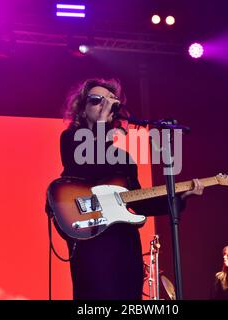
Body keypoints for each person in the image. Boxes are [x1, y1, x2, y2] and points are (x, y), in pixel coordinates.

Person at [46, 78, 204, 300]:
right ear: (82, 109)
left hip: (124, 242)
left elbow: (139, 202)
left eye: (109, 101)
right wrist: (101, 124)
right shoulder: (71, 139)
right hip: (92, 239)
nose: (104, 105)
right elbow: (86, 163)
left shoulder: (123, 159)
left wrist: (179, 196)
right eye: (96, 100)